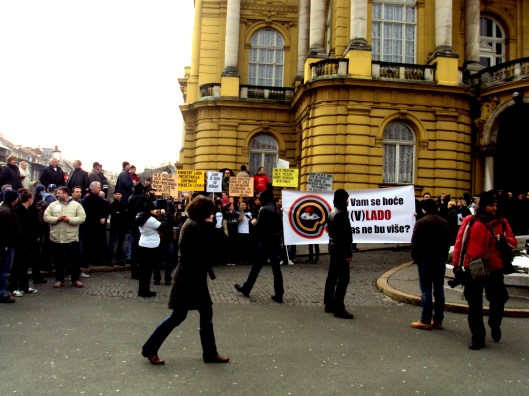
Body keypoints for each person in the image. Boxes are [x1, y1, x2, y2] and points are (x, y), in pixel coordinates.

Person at [141, 196, 229, 365]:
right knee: (178, 316)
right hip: (188, 278)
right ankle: (150, 348)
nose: (212, 214)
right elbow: (206, 249)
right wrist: (210, 226)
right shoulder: (194, 226)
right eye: (210, 212)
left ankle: (210, 353)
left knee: (204, 313)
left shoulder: (194, 224)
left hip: (194, 276)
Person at [452, 190, 517, 350]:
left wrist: (503, 240)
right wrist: (457, 266)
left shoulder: (502, 222)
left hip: (495, 268)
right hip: (474, 268)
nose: (494, 207)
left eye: (495, 204)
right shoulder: (470, 221)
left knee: (498, 299)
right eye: (490, 205)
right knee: (474, 304)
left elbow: (513, 243)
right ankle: (478, 337)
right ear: (483, 206)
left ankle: (495, 323)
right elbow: (460, 244)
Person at [234, 189, 284, 303]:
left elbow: (260, 227)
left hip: (266, 243)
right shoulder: (276, 210)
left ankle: (247, 288)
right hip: (275, 242)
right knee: (276, 270)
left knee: (256, 267)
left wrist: (254, 223)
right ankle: (279, 293)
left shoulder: (264, 209)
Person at [410, 199, 450, 330]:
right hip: (440, 259)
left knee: (426, 289)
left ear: (424, 209)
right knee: (439, 290)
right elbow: (448, 242)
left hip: (425, 259)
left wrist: (416, 257)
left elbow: (415, 242)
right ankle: (438, 320)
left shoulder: (421, 223)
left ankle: (425, 320)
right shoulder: (444, 222)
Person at [43, 186, 86, 288]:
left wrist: (69, 220)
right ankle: (59, 279)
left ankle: (75, 279)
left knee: (74, 260)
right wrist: (57, 219)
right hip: (56, 238)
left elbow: (82, 218)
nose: (57, 194)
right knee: (58, 260)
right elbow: (46, 217)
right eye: (57, 193)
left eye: (59, 193)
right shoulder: (53, 205)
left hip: (71, 238)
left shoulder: (76, 205)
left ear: (66, 194)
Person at [324, 189, 354, 319]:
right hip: (341, 251)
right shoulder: (341, 214)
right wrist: (348, 253)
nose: (348, 201)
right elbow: (345, 236)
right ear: (342, 199)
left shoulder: (332, 212)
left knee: (332, 276)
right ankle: (339, 307)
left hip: (333, 248)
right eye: (346, 199)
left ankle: (329, 303)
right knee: (343, 278)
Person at [10, 191, 39, 296]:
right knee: (17, 265)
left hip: (27, 242)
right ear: (29, 199)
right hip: (21, 242)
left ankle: (24, 286)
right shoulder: (19, 211)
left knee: (24, 265)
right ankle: (13, 287)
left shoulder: (27, 210)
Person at [135, 201, 164, 297]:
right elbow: (162, 226)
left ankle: (142, 290)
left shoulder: (139, 216)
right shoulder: (150, 219)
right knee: (148, 270)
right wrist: (164, 215)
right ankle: (145, 291)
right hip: (151, 245)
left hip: (143, 242)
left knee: (143, 269)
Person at [0, 190, 22, 303]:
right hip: (7, 245)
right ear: (14, 199)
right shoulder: (8, 212)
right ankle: (3, 294)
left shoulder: (4, 209)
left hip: (6, 244)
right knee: (5, 270)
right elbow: (10, 231)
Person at [81, 181, 109, 266]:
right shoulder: (87, 200)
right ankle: (86, 261)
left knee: (97, 244)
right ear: (92, 188)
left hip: (99, 226)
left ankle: (96, 260)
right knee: (88, 244)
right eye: (98, 187)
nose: (100, 188)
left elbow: (105, 210)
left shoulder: (100, 200)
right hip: (90, 226)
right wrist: (98, 219)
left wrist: (104, 217)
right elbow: (88, 213)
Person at [107, 190, 128, 265]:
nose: (118, 195)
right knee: (112, 244)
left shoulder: (124, 204)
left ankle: (119, 260)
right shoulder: (112, 205)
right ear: (113, 195)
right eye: (116, 194)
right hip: (114, 227)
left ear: (121, 195)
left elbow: (125, 215)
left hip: (122, 228)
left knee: (120, 244)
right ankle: (109, 260)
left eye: (119, 194)